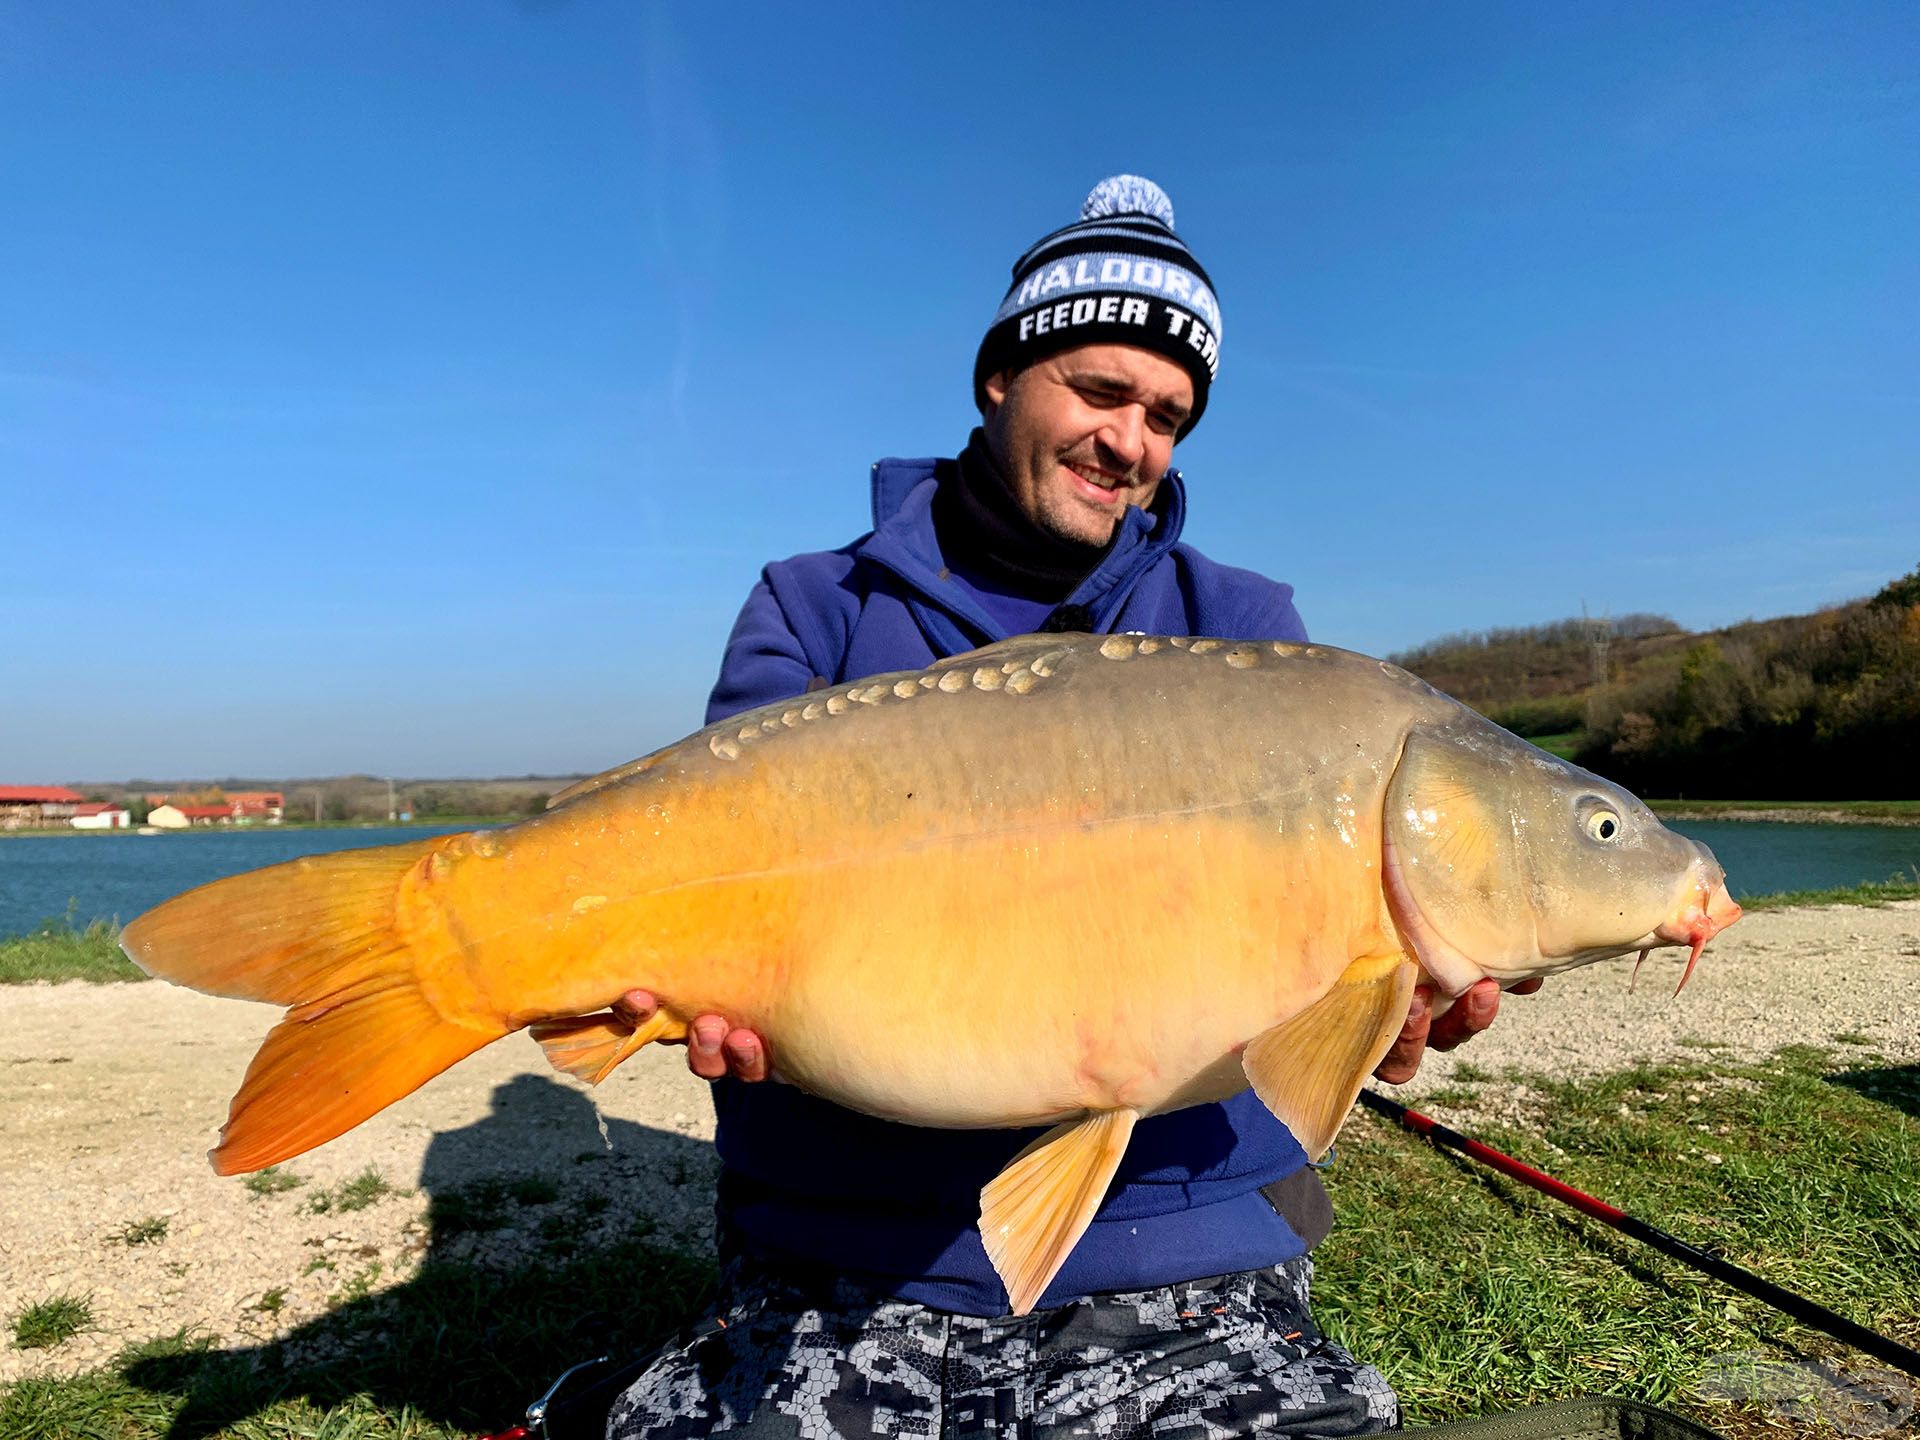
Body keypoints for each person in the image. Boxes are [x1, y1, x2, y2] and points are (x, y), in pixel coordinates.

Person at [604, 176, 1534, 1439]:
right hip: (846, 1248)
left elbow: (1315, 1017)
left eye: (1168, 416)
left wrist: (1378, 1022)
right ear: (1000, 377)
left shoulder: (1252, 637)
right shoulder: (814, 607)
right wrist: (699, 996)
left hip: (1183, 1248)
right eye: (1100, 392)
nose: (1131, 443)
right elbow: (697, 876)